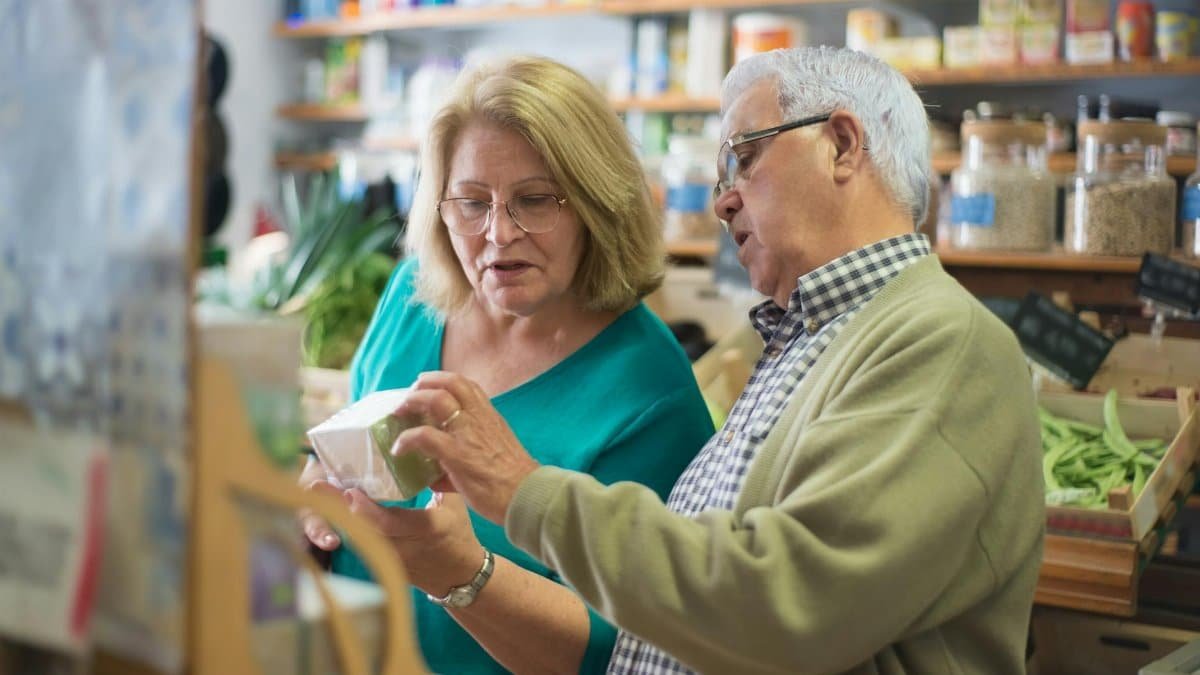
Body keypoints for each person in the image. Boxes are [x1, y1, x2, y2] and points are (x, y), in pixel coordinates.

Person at [390, 46, 1046, 674]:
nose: (722, 199)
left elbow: (788, 603)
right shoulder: (820, 336)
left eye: (745, 158)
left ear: (841, 144)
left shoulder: (940, 341)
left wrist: (523, 491)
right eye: (472, 202)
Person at [298, 56, 715, 675]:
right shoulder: (414, 297)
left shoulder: (651, 397)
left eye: (534, 200)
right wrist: (315, 491)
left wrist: (464, 576)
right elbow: (345, 446)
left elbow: (628, 653)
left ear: (598, 205)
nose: (498, 233)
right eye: (471, 202)